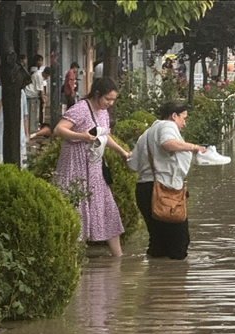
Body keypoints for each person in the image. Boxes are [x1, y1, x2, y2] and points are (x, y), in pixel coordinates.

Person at [53, 78, 128, 257]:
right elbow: (59, 129)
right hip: (74, 165)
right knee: (75, 207)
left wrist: (122, 152)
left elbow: (105, 135)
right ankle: (72, 256)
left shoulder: (103, 113)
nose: (109, 104)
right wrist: (81, 136)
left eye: (113, 100)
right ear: (97, 94)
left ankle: (118, 257)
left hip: (94, 167)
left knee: (107, 206)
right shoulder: (80, 109)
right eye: (107, 99)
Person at [127, 101, 206, 260]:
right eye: (183, 118)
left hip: (144, 191)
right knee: (179, 243)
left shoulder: (146, 134)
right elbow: (167, 143)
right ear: (174, 116)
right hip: (163, 192)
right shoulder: (166, 126)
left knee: (158, 243)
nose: (184, 123)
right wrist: (194, 147)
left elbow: (132, 165)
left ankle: (157, 280)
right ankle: (174, 280)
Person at [0, 83, 29, 162]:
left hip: (19, 141)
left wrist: (26, 135)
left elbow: (24, 116)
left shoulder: (21, 93)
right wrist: (2, 101)